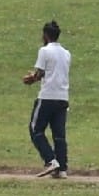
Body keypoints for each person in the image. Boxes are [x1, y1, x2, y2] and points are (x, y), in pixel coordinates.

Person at [22, 20, 71, 179]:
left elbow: (41, 73)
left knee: (35, 129)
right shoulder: (66, 53)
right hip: (62, 97)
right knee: (59, 134)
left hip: (47, 96)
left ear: (45, 35)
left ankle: (50, 161)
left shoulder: (44, 51)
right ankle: (62, 168)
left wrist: (31, 78)